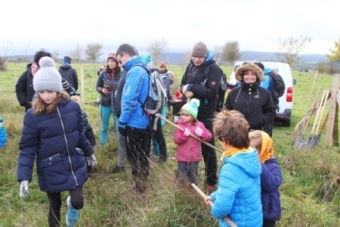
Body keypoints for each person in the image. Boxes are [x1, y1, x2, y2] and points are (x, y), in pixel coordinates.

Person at [16, 56, 97, 227]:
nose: (46, 96)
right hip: (49, 167)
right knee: (54, 206)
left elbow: (79, 134)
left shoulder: (73, 107)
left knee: (77, 202)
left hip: (73, 163)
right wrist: (24, 176)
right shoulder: (32, 116)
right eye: (42, 92)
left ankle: (71, 207)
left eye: (50, 91)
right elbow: (27, 148)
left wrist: (89, 152)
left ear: (58, 90)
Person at [204, 109, 263, 227]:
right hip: (254, 221)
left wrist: (215, 210)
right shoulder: (250, 158)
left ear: (224, 141)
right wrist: (214, 196)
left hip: (239, 223)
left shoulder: (230, 169)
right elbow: (236, 189)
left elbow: (223, 207)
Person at [180, 41, 221, 192]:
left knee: (207, 146)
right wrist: (185, 89)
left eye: (200, 57)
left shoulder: (213, 69)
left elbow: (211, 92)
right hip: (190, 113)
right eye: (194, 56)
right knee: (187, 142)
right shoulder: (190, 66)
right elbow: (183, 84)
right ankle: (188, 177)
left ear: (206, 55)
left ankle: (211, 180)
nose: (197, 59)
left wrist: (192, 88)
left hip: (205, 113)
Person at [116, 43, 151, 195]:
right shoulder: (144, 68)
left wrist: (122, 122)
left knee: (135, 156)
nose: (120, 64)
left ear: (124, 55)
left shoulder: (135, 71)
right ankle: (141, 185)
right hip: (144, 120)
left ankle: (140, 188)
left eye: (119, 60)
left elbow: (129, 100)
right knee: (142, 154)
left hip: (134, 122)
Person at [225, 62, 276, 135]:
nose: (250, 77)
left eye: (253, 74)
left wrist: (260, 120)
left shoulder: (264, 93)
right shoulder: (234, 92)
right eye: (246, 74)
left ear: (257, 76)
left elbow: (271, 111)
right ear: (242, 76)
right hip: (236, 132)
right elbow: (227, 110)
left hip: (257, 133)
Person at [173, 98, 212, 185]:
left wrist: (203, 134)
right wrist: (183, 136)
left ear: (193, 116)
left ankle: (193, 190)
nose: (183, 116)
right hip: (182, 157)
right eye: (182, 114)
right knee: (182, 176)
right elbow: (176, 139)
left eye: (186, 115)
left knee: (193, 176)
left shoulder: (199, 125)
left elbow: (209, 137)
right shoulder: (179, 125)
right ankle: (181, 192)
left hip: (194, 157)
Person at [249, 130, 282, 227]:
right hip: (255, 209)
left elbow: (272, 184)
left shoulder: (272, 166)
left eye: (253, 151)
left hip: (267, 211)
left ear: (263, 150)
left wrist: (259, 164)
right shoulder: (250, 164)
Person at [95, 54, 121, 146]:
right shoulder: (103, 73)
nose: (110, 63)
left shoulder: (121, 74)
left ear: (117, 63)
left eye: (112, 61)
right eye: (109, 61)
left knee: (118, 126)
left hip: (117, 105)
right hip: (105, 104)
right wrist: (101, 90)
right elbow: (97, 86)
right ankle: (103, 144)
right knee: (104, 126)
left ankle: (119, 145)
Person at [70, 95, 96, 174]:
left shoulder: (82, 117)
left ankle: (88, 172)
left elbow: (84, 132)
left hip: (85, 141)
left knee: (85, 157)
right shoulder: (75, 117)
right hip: (82, 141)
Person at [111, 68, 128, 174]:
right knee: (121, 141)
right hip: (120, 115)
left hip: (126, 117)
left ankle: (132, 164)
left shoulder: (130, 76)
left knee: (126, 141)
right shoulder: (124, 75)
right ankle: (121, 164)